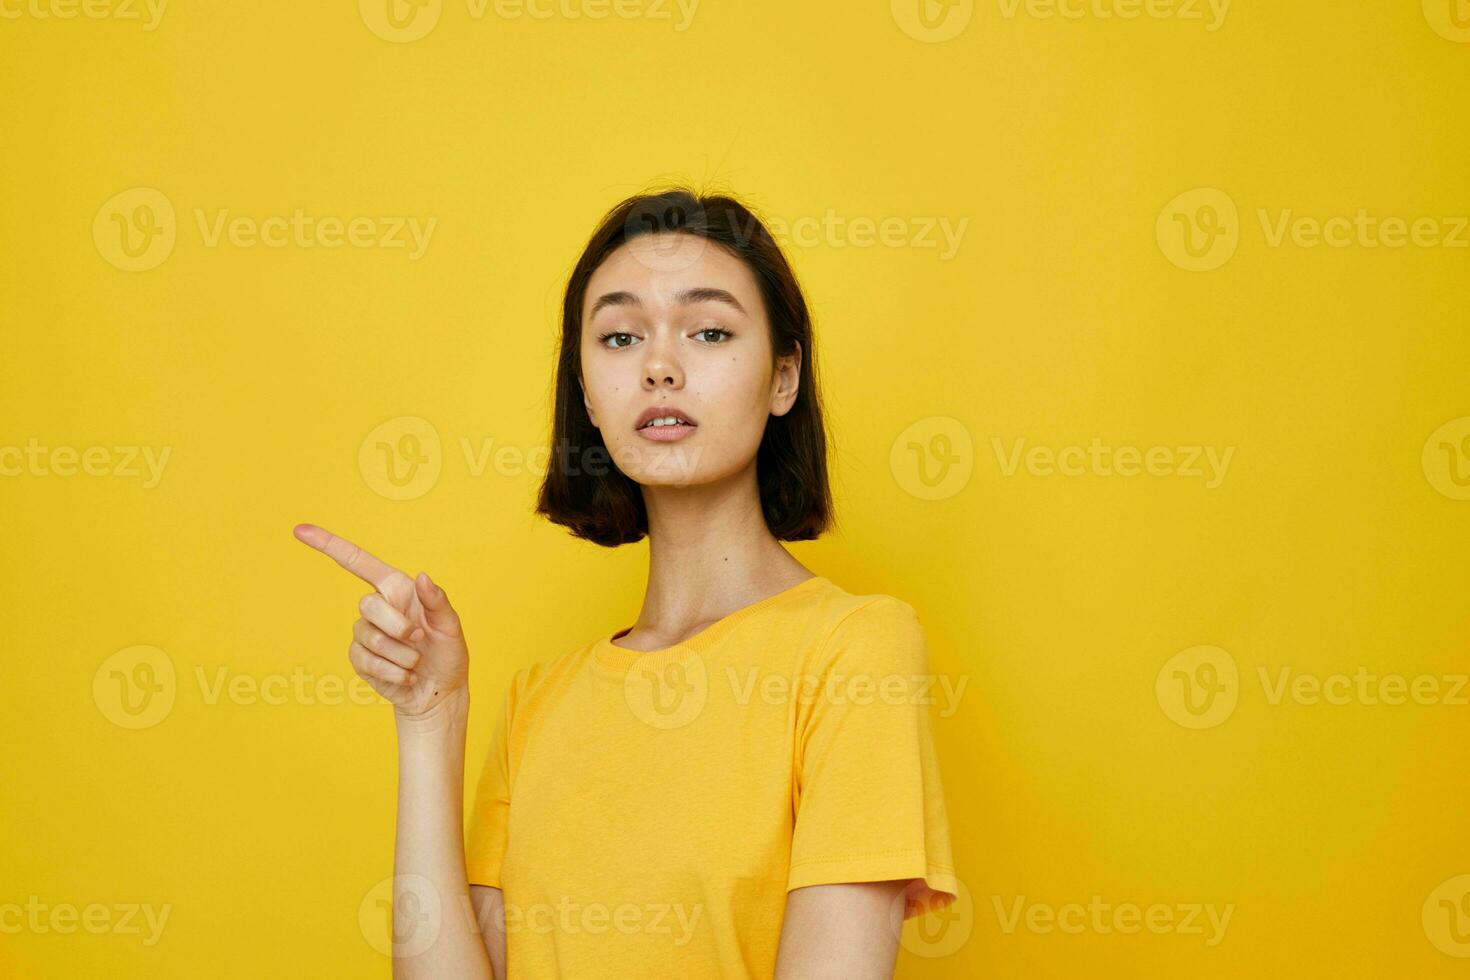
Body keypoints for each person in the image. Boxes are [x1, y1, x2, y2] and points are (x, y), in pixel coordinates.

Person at [293, 186, 957, 978]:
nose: (660, 368)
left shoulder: (855, 648)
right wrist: (429, 719)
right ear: (585, 391)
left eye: (710, 331)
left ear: (784, 378)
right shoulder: (539, 704)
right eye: (619, 337)